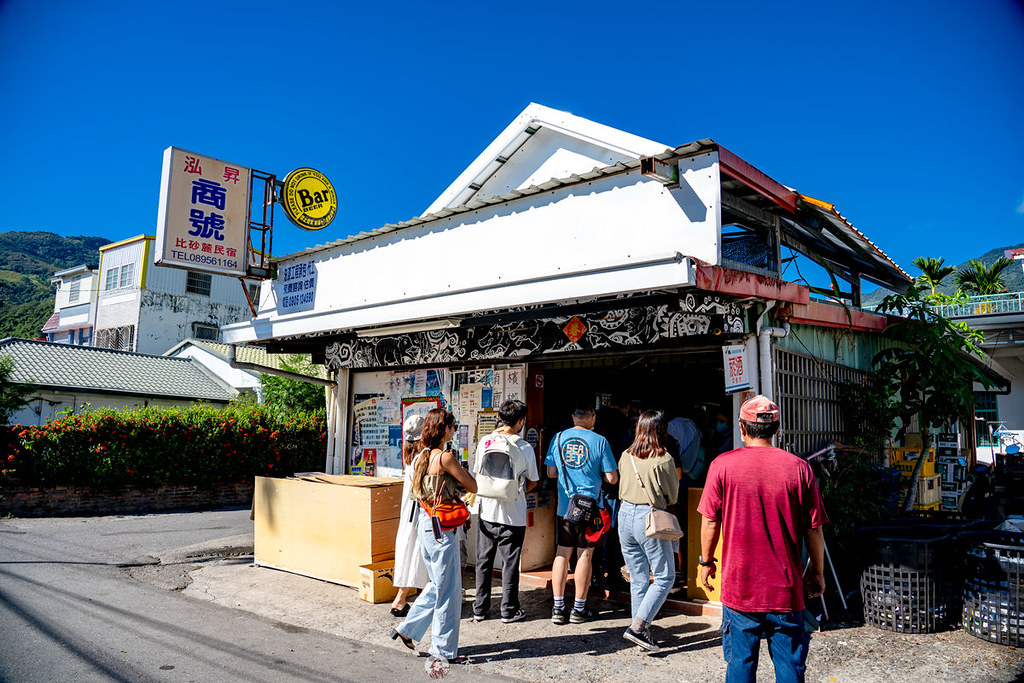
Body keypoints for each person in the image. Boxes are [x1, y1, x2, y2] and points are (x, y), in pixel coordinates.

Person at [697, 395, 828, 683]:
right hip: (786, 589)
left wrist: (706, 562)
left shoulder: (722, 465)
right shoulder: (799, 468)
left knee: (740, 666)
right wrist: (816, 572)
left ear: (742, 429)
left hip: (740, 587)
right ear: (776, 429)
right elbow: (814, 528)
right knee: (791, 669)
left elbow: (709, 521)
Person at [391, 408, 477, 663]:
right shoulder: (445, 458)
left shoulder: (420, 457)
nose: (455, 430)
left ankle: (408, 629)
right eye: (453, 426)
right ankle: (443, 650)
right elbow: (473, 486)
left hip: (425, 524)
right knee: (449, 592)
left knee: (438, 584)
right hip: (443, 528)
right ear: (445, 429)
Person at [544, 400, 619, 624]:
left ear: (573, 416)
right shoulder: (600, 441)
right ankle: (579, 609)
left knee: (562, 553)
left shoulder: (557, 439)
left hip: (565, 507)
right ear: (592, 417)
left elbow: (550, 472)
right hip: (591, 508)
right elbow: (612, 478)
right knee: (584, 554)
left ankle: (558, 608)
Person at [472, 399, 540, 623]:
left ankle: (480, 609)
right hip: (514, 514)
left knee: (484, 561)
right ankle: (508, 610)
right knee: (510, 563)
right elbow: (533, 481)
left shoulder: (485, 441)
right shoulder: (524, 447)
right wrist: (517, 491)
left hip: (487, 511)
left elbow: (477, 472)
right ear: (520, 421)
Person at [617, 410, 679, 653]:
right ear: (661, 430)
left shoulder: (625, 455)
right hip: (649, 519)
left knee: (638, 577)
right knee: (664, 577)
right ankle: (638, 627)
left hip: (624, 516)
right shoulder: (664, 459)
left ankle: (640, 633)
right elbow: (672, 496)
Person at [389, 413, 430, 617]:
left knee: (410, 549)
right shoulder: (423, 457)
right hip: (418, 510)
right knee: (418, 551)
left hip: (408, 510)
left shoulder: (408, 455)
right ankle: (402, 599)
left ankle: (402, 598)